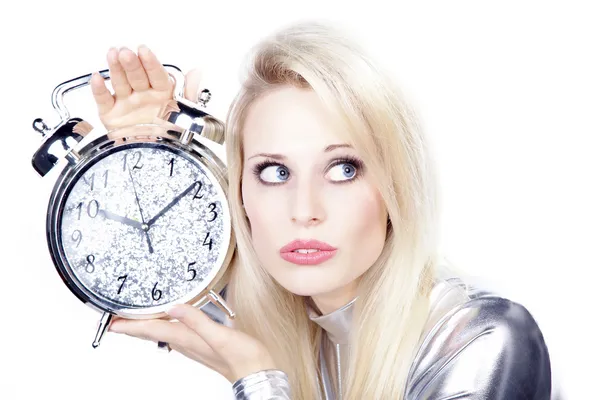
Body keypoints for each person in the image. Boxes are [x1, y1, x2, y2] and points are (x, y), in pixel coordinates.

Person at [91, 21, 552, 399]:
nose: (304, 211)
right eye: (274, 172)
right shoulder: (262, 306)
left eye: (343, 169)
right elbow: (129, 275)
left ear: (395, 187)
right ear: (241, 194)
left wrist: (259, 381)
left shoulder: (485, 342)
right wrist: (149, 164)